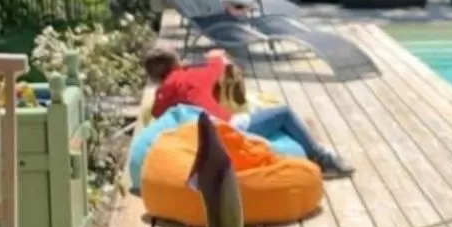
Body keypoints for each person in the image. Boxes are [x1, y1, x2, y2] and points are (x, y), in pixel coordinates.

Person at [144, 48, 353, 176]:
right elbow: (220, 61)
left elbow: (157, 114)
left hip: (202, 142)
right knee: (283, 113)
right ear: (178, 63)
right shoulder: (195, 74)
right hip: (229, 131)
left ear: (154, 79)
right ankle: (321, 158)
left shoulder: (163, 93)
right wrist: (213, 56)